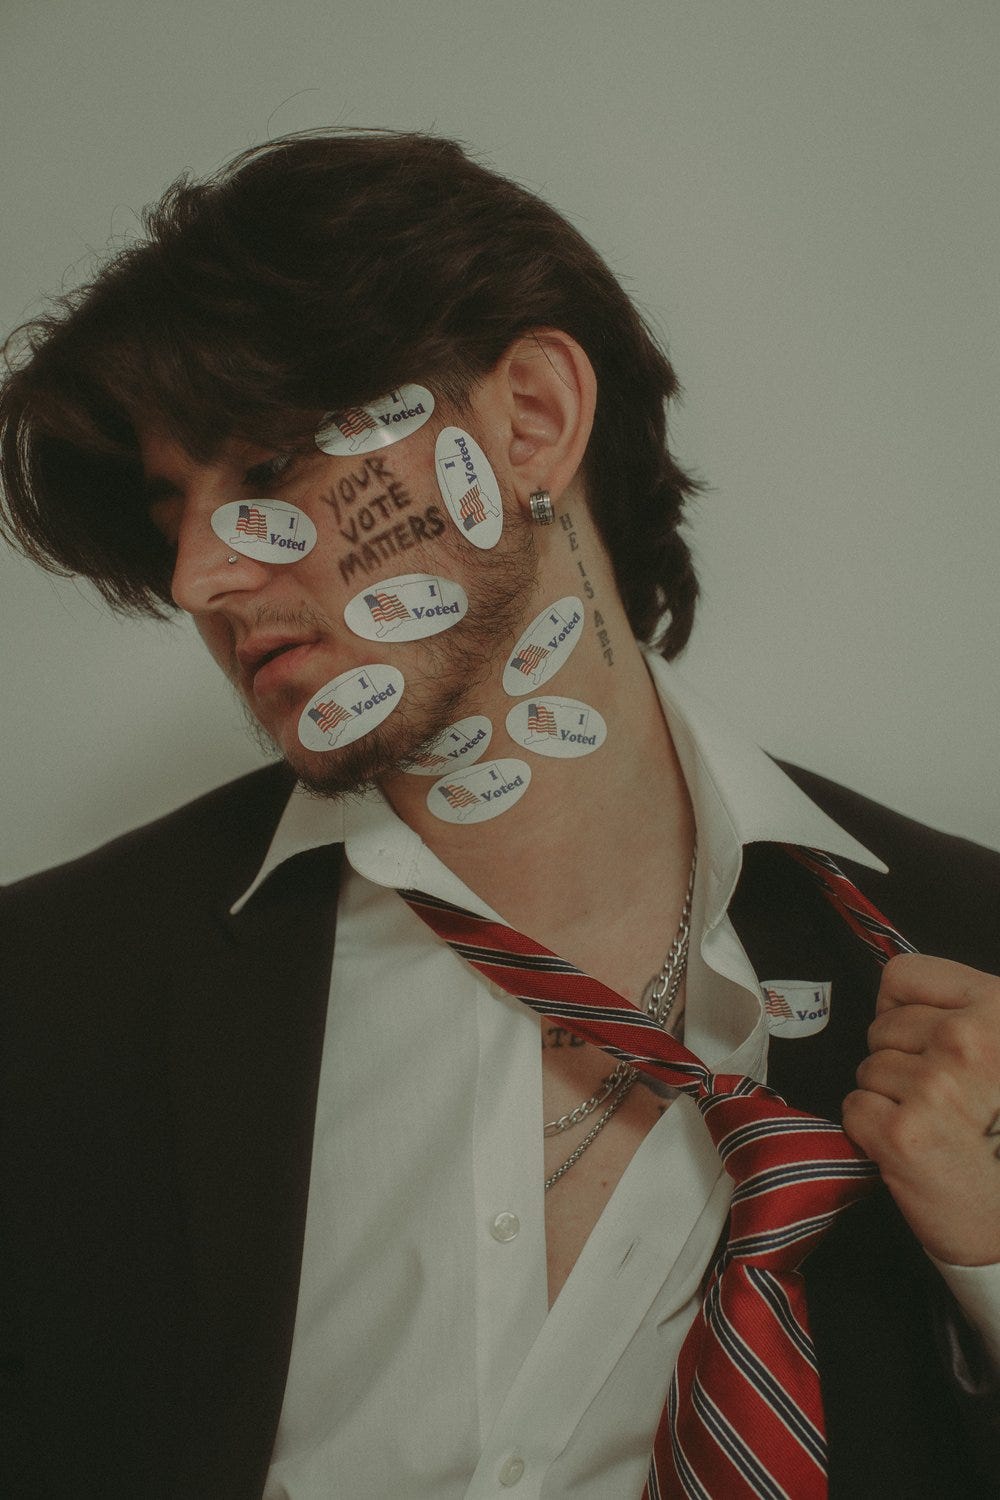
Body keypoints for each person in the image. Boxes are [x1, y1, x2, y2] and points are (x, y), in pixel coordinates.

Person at [1, 129, 999, 1500]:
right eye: (173, 507)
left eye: (268, 470)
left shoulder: (968, 945)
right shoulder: (52, 991)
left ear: (528, 419)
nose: (196, 579)